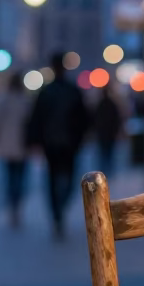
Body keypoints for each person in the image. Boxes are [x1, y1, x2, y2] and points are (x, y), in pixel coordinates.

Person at [26, 52, 89, 238]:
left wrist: (35, 140)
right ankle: (58, 212)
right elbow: (83, 118)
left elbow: (36, 119)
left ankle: (57, 211)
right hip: (63, 144)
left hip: (58, 144)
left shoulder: (50, 92)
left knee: (56, 180)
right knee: (64, 179)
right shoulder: (67, 90)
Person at [0, 73, 32, 227]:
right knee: (19, 179)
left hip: (7, 147)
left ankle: (12, 205)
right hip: (22, 147)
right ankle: (17, 205)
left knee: (10, 178)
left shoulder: (3, 101)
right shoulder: (25, 102)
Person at [93, 84, 123, 177]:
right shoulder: (109, 104)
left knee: (104, 152)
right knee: (108, 152)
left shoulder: (102, 104)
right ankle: (107, 171)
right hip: (108, 133)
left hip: (105, 133)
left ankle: (105, 171)